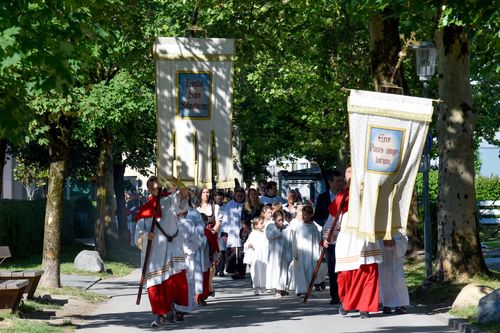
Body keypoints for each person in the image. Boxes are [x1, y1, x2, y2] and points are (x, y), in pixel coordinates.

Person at [134, 176, 189, 327]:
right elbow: (137, 236)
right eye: (152, 187)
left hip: (171, 249)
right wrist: (145, 236)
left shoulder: (170, 200)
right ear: (149, 189)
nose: (156, 189)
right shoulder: (145, 209)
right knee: (154, 285)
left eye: (158, 186)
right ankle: (159, 316)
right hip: (154, 254)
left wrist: (178, 181)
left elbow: (184, 194)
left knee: (170, 283)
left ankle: (170, 309)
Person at [334, 167, 382, 319]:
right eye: (348, 171)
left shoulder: (370, 192)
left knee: (367, 272)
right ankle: (348, 303)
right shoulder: (342, 196)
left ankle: (365, 307)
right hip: (348, 239)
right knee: (346, 275)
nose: (351, 173)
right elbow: (332, 218)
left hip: (366, 237)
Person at [197, 188, 222, 298]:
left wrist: (212, 232)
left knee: (211, 264)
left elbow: (218, 222)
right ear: (200, 194)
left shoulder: (215, 207)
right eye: (203, 192)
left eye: (207, 192)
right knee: (199, 263)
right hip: (198, 236)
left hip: (211, 236)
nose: (206, 194)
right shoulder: (196, 208)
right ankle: (204, 288)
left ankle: (208, 284)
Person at [292, 205, 321, 297]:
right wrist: (295, 252)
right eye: (303, 215)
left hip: (311, 253)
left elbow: (317, 241)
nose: (304, 217)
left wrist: (318, 254)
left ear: (310, 215)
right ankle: (301, 290)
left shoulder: (314, 228)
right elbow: (294, 241)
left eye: (306, 215)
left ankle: (308, 290)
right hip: (301, 253)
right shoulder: (299, 227)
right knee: (301, 270)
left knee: (310, 270)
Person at [379, 232, 409, 314]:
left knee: (398, 280)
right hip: (384, 257)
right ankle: (386, 305)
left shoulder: (399, 228)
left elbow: (404, 240)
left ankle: (400, 304)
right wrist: (383, 243)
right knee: (385, 280)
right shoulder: (380, 225)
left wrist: (395, 243)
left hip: (396, 258)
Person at [265, 210, 292, 298]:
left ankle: (282, 288)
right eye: (279, 220)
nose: (281, 222)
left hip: (284, 252)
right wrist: (278, 230)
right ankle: (277, 289)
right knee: (276, 271)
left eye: (282, 220)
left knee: (284, 271)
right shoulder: (270, 226)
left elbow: (289, 241)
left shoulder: (287, 227)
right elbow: (269, 236)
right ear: (274, 219)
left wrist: (289, 252)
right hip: (274, 254)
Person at [221, 187, 246, 279]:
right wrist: (224, 233)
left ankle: (240, 271)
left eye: (241, 196)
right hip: (232, 231)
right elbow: (225, 219)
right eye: (238, 195)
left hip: (243, 231)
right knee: (232, 252)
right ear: (234, 195)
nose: (239, 197)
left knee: (242, 252)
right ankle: (233, 270)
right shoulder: (229, 205)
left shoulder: (246, 204)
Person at [243, 216, 268, 295]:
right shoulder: (253, 234)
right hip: (256, 255)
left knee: (264, 270)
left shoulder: (265, 233)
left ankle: (263, 286)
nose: (263, 224)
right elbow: (247, 243)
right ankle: (256, 287)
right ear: (256, 225)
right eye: (261, 223)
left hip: (263, 254)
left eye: (263, 223)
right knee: (255, 271)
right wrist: (249, 245)